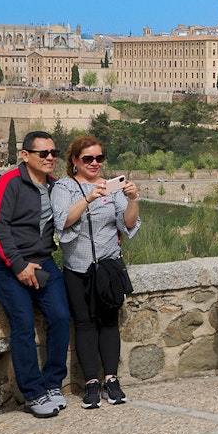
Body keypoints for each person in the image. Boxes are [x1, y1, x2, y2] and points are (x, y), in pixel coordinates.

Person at [0, 131, 69, 418]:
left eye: (53, 153)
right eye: (42, 153)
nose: (49, 158)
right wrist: (18, 265)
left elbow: (68, 219)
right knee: (22, 324)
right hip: (6, 265)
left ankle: (53, 383)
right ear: (25, 155)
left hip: (43, 260)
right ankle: (33, 394)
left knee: (59, 316)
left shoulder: (55, 187)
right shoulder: (8, 183)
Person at [51, 135, 141, 408]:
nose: (94, 163)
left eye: (99, 158)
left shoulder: (113, 187)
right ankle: (91, 382)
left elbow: (128, 223)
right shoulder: (64, 187)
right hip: (77, 268)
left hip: (107, 266)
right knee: (85, 324)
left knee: (109, 323)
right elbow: (62, 220)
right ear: (75, 161)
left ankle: (111, 380)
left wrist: (133, 199)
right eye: (87, 158)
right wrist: (89, 198)